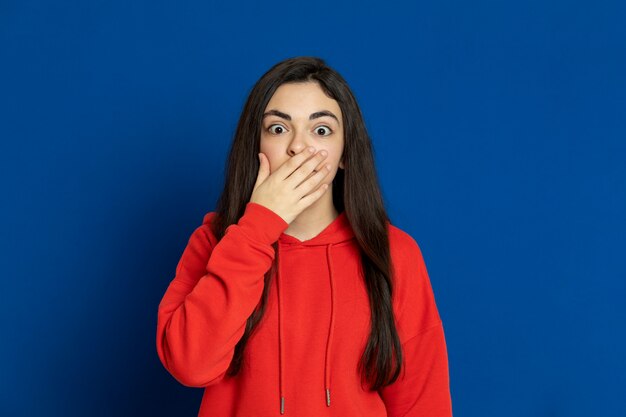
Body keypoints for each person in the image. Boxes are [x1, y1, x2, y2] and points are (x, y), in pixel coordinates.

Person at [156, 56, 453, 416]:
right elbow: (190, 365)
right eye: (278, 129)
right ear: (257, 146)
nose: (298, 147)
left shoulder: (393, 253)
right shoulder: (214, 242)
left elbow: (423, 402)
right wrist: (258, 227)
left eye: (321, 130)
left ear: (345, 153)